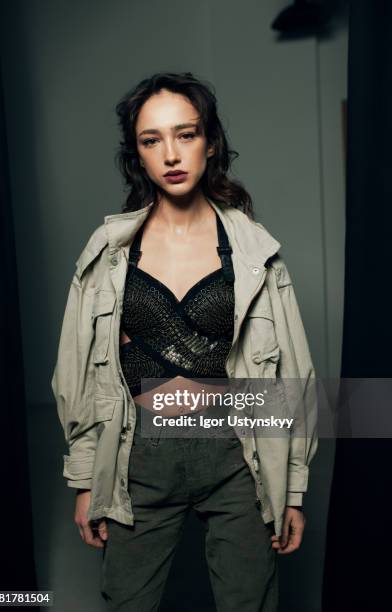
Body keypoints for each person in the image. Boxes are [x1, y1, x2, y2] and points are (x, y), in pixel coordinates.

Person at [51, 72, 318, 611]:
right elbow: (77, 374)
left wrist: (292, 487)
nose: (171, 154)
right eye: (152, 140)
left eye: (186, 134)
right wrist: (86, 482)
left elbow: (293, 377)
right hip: (138, 463)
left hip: (238, 461)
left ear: (210, 142)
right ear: (138, 155)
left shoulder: (254, 252)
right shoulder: (106, 254)